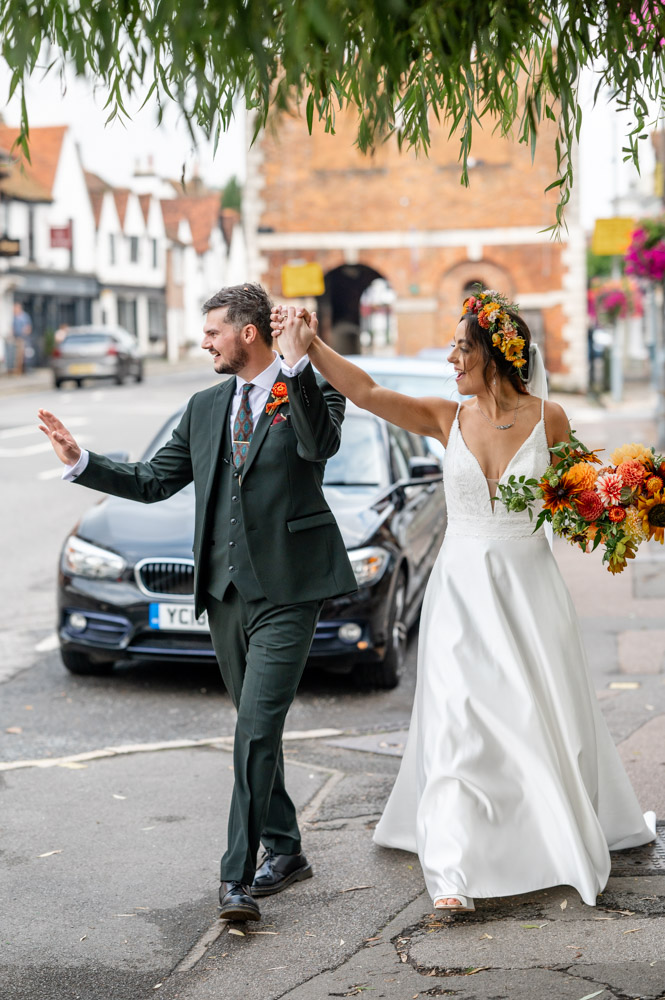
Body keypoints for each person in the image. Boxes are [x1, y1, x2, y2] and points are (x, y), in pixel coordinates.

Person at [272, 289, 655, 913]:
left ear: (496, 355)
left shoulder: (550, 419)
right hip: (459, 593)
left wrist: (628, 502)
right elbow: (367, 393)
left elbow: (585, 497)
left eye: (461, 347)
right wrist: (312, 344)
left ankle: (543, 833)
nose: (451, 357)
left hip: (530, 593)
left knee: (534, 718)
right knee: (459, 720)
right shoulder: (444, 417)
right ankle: (452, 872)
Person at [38, 283, 357, 922]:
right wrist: (83, 463)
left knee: (255, 729)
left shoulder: (314, 390)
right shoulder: (205, 406)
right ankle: (287, 848)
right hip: (224, 592)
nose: (202, 341)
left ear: (249, 333)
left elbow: (318, 446)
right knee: (254, 732)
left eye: (212, 331)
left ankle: (235, 878)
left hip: (291, 591)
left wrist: (296, 365)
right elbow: (157, 481)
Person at [11, 301, 32, 374]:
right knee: (16, 356)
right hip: (16, 339)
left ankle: (22, 370)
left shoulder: (24, 316)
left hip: (23, 339)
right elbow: (13, 328)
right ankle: (17, 370)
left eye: (15, 308)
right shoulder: (15, 317)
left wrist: (24, 334)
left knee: (22, 355)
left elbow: (28, 328)